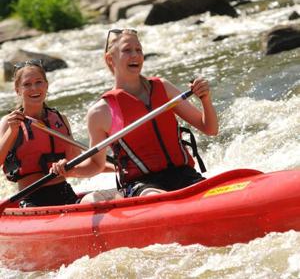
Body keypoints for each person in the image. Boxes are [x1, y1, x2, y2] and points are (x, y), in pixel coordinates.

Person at [51, 28, 218, 199]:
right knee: (155, 197)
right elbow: (96, 165)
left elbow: (210, 129)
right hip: (143, 185)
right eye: (127, 50)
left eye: (139, 50)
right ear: (110, 59)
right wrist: (70, 171)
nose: (135, 55)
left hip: (184, 175)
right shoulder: (101, 112)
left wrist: (205, 98)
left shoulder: (163, 88)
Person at [0, 59, 82, 207]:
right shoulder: (9, 122)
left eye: (39, 82)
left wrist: (66, 164)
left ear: (46, 85)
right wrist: (12, 132)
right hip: (31, 199)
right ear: (17, 89)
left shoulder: (60, 119)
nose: (34, 88)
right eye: (27, 84)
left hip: (65, 192)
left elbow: (78, 162)